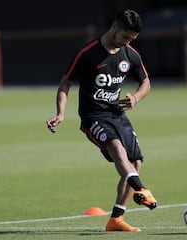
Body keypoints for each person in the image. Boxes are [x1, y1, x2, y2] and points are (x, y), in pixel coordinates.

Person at [46, 9, 157, 232]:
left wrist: (135, 97)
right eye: (126, 37)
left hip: (117, 114)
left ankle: (116, 219)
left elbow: (146, 84)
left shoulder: (131, 55)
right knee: (116, 148)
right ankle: (141, 188)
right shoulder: (87, 54)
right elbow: (65, 84)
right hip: (92, 116)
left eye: (132, 39)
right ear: (115, 27)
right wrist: (60, 113)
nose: (127, 42)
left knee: (135, 162)